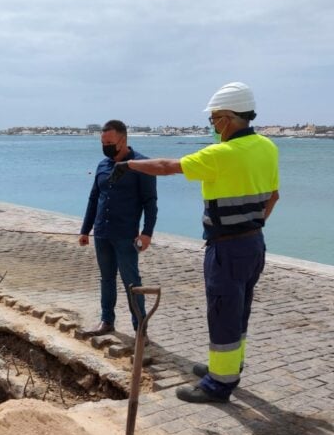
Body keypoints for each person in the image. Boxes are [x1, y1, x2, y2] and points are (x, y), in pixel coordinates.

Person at [109, 82, 280, 404]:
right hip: (254, 243)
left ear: (228, 118)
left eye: (214, 120)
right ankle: (228, 366)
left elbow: (166, 166)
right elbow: (273, 196)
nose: (213, 127)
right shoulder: (268, 148)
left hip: (226, 248)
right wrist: (252, 225)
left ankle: (219, 384)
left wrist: (128, 164)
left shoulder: (220, 154)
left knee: (222, 312)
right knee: (239, 310)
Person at [79, 120, 157, 339]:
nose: (106, 146)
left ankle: (140, 329)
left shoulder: (142, 164)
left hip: (126, 235)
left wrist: (147, 232)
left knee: (132, 282)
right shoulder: (102, 165)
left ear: (123, 140)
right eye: (103, 142)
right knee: (106, 279)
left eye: (110, 142)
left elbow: (150, 202)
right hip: (102, 233)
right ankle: (106, 321)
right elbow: (94, 198)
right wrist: (85, 230)